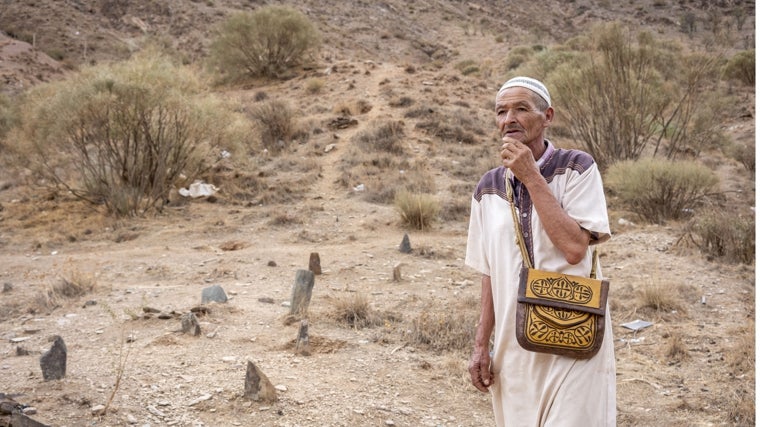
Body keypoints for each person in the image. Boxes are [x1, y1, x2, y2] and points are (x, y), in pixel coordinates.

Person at [465, 76, 615, 426]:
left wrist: (531, 175)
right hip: (513, 342)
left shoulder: (577, 168)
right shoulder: (487, 187)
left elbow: (575, 248)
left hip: (574, 330)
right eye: (501, 111)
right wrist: (480, 345)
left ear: (547, 116)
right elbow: (489, 271)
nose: (509, 119)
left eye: (521, 109)